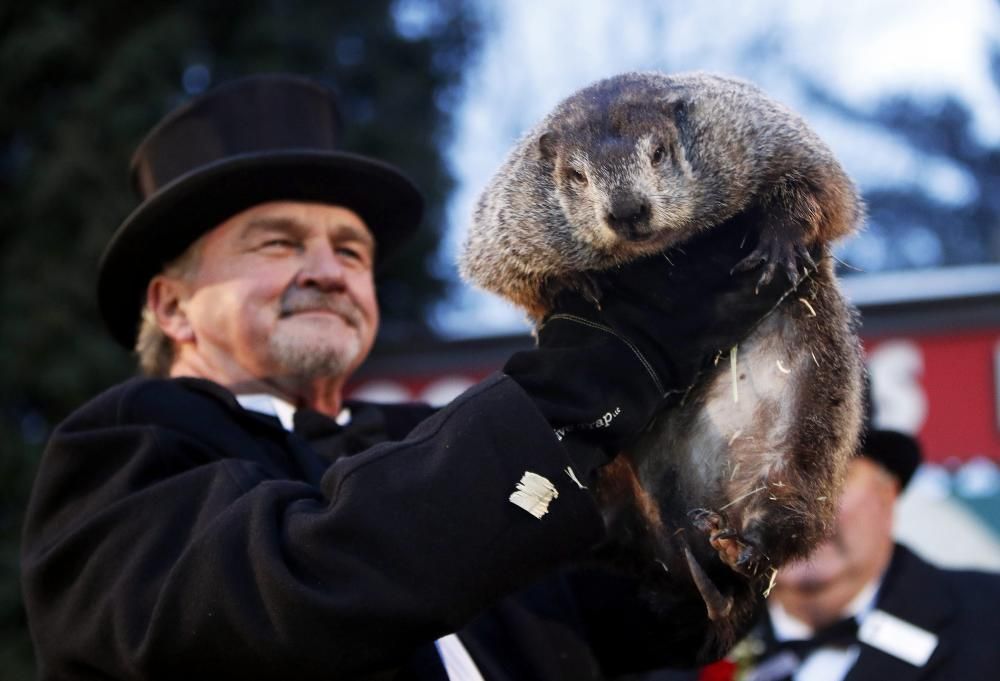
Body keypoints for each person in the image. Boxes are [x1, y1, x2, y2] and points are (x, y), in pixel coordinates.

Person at [20, 74, 788, 680]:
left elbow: (636, 618)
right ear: (173, 305)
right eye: (277, 244)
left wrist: (730, 510)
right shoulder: (126, 448)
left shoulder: (416, 443)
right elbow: (293, 595)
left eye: (350, 252)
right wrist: (598, 370)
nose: (327, 272)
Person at [669, 414, 1000, 681]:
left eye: (829, 476)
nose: (796, 507)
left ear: (887, 491)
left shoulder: (987, 623)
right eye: (763, 480)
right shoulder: (681, 647)